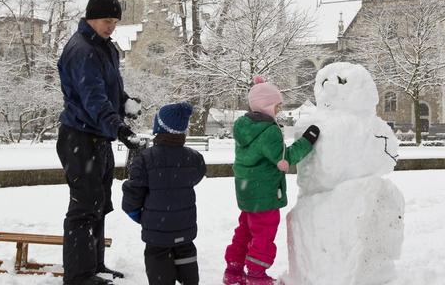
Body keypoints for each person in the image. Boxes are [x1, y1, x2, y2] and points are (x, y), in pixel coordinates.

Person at [56, 0, 143, 285]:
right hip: (80, 137)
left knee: (99, 204)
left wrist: (125, 102)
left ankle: (95, 266)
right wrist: (119, 128)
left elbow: (110, 91)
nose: (112, 26)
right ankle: (79, 276)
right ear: (92, 18)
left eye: (115, 22)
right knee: (83, 209)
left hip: (97, 138)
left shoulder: (104, 46)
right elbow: (93, 100)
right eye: (107, 20)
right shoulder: (82, 50)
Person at [223, 77, 321, 285]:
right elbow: (285, 158)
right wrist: (308, 140)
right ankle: (256, 275)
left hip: (246, 189)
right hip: (264, 191)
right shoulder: (268, 131)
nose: (279, 109)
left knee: (245, 229)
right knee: (264, 233)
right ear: (267, 105)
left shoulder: (245, 125)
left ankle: (233, 270)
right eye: (277, 105)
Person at [122, 102, 206, 285]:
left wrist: (137, 214)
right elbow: (197, 176)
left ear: (158, 128)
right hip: (185, 224)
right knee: (186, 255)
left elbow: (133, 193)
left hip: (157, 231)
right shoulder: (194, 158)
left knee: (158, 261)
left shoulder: (145, 158)